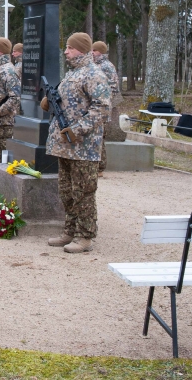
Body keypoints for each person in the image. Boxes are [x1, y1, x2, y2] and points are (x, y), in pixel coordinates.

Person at [41, 32, 111, 254]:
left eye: (70, 48)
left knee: (83, 192)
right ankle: (70, 231)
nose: (66, 51)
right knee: (67, 191)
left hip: (84, 146)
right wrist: (49, 103)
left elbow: (102, 108)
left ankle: (85, 236)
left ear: (81, 49)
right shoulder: (73, 74)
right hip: (66, 146)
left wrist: (77, 130)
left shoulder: (94, 74)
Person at [92, 41, 122, 177]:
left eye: (95, 50)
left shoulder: (105, 66)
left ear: (101, 52)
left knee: (100, 137)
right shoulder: (98, 65)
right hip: (103, 104)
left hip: (104, 105)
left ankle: (100, 167)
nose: (92, 52)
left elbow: (111, 89)